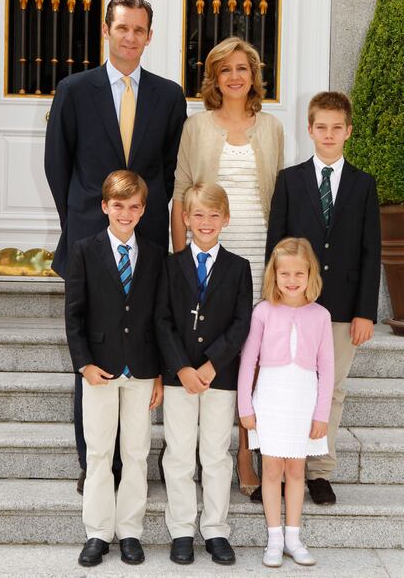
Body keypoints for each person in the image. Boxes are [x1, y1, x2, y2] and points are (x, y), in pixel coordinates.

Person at [45, 0, 186, 490]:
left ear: (150, 36)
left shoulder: (169, 96)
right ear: (106, 30)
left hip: (144, 240)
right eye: (121, 27)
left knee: (140, 343)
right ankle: (94, 465)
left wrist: (146, 224)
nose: (130, 37)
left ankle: (132, 461)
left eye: (139, 30)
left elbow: (167, 168)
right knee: (93, 350)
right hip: (91, 239)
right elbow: (57, 164)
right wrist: (83, 226)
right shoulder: (74, 89)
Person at [171, 36, 284, 495]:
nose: (236, 76)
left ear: (254, 75)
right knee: (215, 346)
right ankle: (202, 451)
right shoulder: (196, 127)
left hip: (258, 253)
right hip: (208, 252)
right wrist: (181, 262)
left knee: (251, 356)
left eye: (243, 68)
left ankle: (244, 451)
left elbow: (280, 196)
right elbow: (181, 194)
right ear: (214, 78)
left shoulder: (272, 127)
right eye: (226, 70)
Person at [265, 91, 381, 504]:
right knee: (286, 384)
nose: (328, 134)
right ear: (309, 129)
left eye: (337, 128)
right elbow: (276, 246)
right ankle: (279, 465)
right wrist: (273, 302)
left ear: (348, 131)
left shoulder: (364, 185)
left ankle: (318, 470)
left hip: (343, 308)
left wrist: (365, 311)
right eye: (321, 127)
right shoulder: (290, 180)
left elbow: (371, 250)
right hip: (293, 305)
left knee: (330, 389)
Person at [65, 170, 164, 567]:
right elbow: (74, 315)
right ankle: (97, 532)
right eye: (118, 205)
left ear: (143, 210)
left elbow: (160, 317)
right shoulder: (84, 250)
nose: (126, 213)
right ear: (105, 206)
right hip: (99, 370)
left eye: (134, 206)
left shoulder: (156, 255)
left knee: (137, 452)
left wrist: (159, 372)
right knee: (100, 451)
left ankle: (130, 531)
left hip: (140, 369)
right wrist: (84, 364)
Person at [155, 183, 253, 566]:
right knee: (179, 454)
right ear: (185, 219)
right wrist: (181, 366)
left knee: (215, 454)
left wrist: (213, 363)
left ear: (225, 219)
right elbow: (161, 320)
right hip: (180, 377)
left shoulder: (239, 268)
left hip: (219, 377)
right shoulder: (169, 265)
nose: (206, 222)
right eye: (198, 215)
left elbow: (241, 322)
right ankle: (181, 529)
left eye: (214, 215)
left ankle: (215, 529)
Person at [238, 237, 334, 568]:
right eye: (284, 274)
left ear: (311, 275)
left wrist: (321, 414)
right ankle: (274, 539)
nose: (291, 281)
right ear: (273, 276)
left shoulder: (320, 315)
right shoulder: (263, 312)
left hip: (303, 400)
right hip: (270, 397)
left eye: (299, 274)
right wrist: (245, 407)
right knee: (272, 469)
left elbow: (328, 368)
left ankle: (294, 537)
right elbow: (248, 360)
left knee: (296, 469)